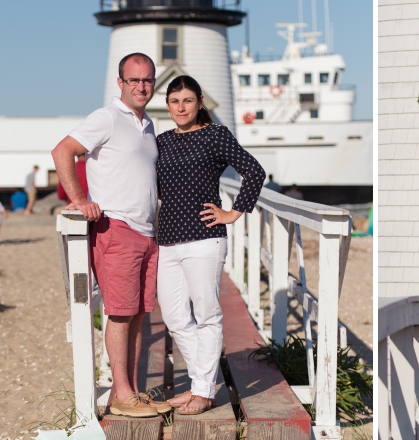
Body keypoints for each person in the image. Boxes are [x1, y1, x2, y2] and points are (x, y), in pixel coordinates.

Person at [51, 52, 169, 418]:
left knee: (138, 314)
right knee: (119, 313)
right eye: (133, 80)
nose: (141, 86)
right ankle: (120, 395)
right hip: (116, 227)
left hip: (147, 231)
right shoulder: (107, 117)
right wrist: (80, 199)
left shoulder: (148, 125)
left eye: (147, 80)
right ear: (120, 82)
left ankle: (129, 390)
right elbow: (63, 151)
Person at [157, 75, 265, 415]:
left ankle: (202, 391)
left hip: (205, 238)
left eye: (187, 100)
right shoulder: (161, 141)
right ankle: (201, 381)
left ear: (199, 101)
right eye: (175, 101)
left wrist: (233, 213)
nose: (181, 107)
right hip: (168, 240)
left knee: (206, 315)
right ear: (168, 105)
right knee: (175, 318)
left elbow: (254, 171)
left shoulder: (215, 135)